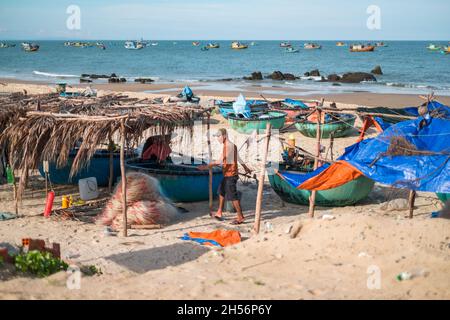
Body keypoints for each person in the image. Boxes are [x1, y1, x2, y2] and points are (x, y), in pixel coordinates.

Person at [198, 128, 252, 224]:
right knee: (221, 191)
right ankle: (219, 212)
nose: (218, 139)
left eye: (219, 136)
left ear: (224, 136)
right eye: (217, 137)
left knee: (233, 196)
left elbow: (220, 161)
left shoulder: (229, 146)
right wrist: (246, 168)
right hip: (227, 174)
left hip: (231, 175)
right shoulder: (230, 146)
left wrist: (206, 167)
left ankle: (240, 217)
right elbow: (238, 158)